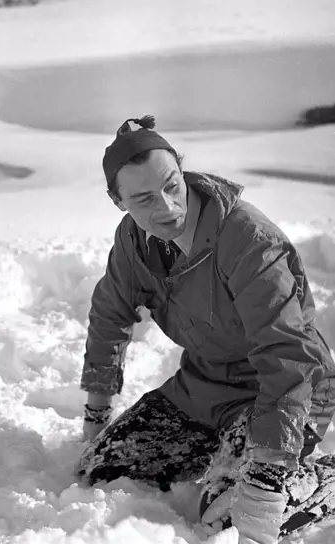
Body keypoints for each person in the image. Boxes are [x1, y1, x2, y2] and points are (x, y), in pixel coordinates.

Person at [77, 115, 335, 543]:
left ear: (182, 169)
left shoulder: (249, 241)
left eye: (171, 185)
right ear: (118, 201)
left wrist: (267, 476)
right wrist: (96, 409)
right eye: (143, 199)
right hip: (205, 386)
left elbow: (287, 355)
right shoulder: (133, 241)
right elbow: (110, 312)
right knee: (102, 468)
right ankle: (229, 462)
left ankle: (322, 483)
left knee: (228, 518)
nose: (166, 208)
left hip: (291, 390)